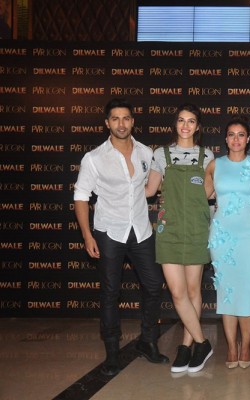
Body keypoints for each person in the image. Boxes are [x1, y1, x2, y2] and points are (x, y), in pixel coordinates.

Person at [73, 98, 168, 376]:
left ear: (132, 121)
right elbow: (81, 197)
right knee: (110, 293)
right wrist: (87, 235)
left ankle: (147, 341)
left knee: (154, 286)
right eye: (115, 119)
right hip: (109, 232)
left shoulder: (145, 153)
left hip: (141, 230)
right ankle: (112, 353)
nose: (121, 124)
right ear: (107, 123)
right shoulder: (94, 158)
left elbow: (149, 189)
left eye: (126, 118)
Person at [145, 103, 215, 373]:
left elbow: (209, 194)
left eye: (191, 121)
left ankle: (186, 346)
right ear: (175, 124)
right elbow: (149, 190)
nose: (186, 125)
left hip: (196, 229)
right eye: (181, 120)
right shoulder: (160, 155)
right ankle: (202, 342)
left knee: (194, 290)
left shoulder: (206, 156)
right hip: (169, 230)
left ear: (198, 127)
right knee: (177, 292)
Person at [204, 115, 250, 369]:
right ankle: (231, 347)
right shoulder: (214, 165)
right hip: (221, 235)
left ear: (248, 139)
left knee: (248, 291)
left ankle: (246, 347)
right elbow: (201, 198)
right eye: (232, 135)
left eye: (241, 135)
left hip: (249, 235)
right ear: (226, 139)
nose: (236, 139)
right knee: (226, 291)